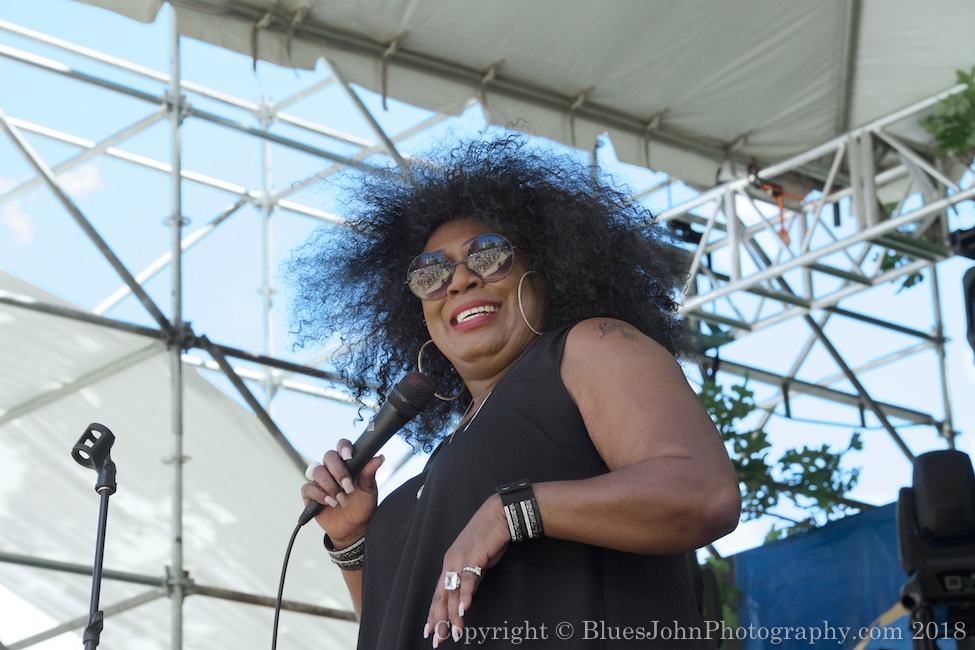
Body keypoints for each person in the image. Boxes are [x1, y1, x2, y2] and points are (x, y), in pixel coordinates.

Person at [288, 134, 741, 649]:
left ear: (546, 268)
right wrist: (351, 543)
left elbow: (705, 494)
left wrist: (514, 511)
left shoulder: (588, 348)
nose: (457, 282)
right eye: (430, 273)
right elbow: (410, 624)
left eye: (486, 256)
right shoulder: (448, 454)